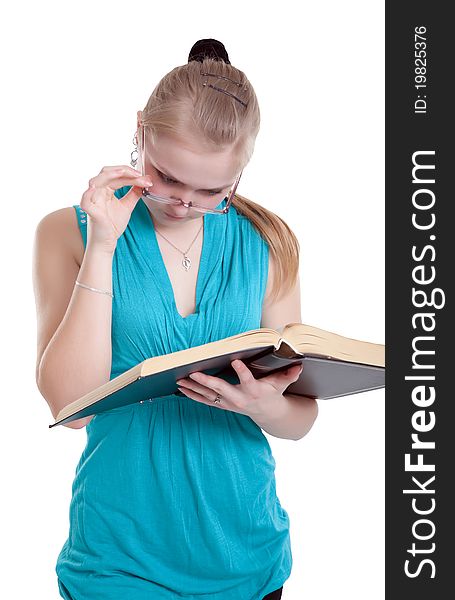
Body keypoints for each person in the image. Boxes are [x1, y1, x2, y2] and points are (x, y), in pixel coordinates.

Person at [33, 38, 319, 600]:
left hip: (246, 552)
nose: (183, 202)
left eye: (212, 190)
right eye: (166, 177)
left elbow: (300, 418)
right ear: (139, 131)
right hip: (119, 558)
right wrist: (104, 248)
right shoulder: (67, 232)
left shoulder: (268, 242)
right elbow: (69, 409)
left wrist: (268, 406)